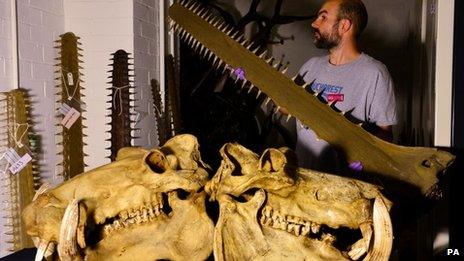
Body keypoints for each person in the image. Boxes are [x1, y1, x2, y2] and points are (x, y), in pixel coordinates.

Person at [293, 0, 397, 171]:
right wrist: (253, 77)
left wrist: (365, 159)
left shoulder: (374, 72)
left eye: (323, 18)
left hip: (345, 187)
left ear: (344, 25)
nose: (314, 23)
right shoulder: (310, 67)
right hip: (303, 179)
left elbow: (385, 135)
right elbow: (287, 106)